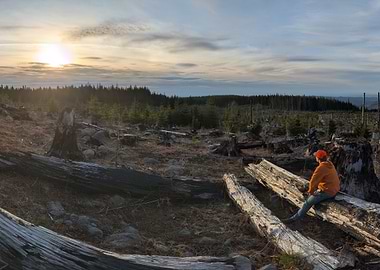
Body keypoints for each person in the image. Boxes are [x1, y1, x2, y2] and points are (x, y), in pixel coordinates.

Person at [282, 149, 340, 223]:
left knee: (307, 202)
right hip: (335, 189)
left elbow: (313, 182)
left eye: (316, 156)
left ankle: (294, 219)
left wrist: (311, 192)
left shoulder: (321, 168)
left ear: (318, 159)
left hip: (328, 191)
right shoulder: (330, 164)